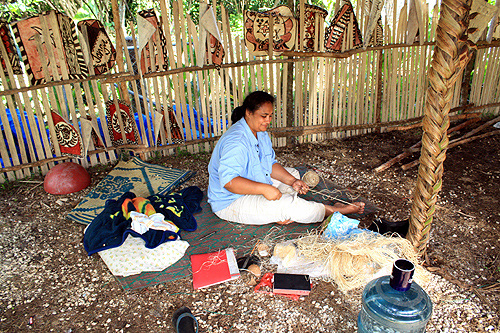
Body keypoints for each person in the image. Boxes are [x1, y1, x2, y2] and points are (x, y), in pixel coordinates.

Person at [207, 91, 365, 225]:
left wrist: (292, 182)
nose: (268, 120)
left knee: (293, 175)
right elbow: (229, 182)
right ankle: (334, 210)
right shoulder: (236, 141)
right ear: (248, 112)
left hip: (251, 183)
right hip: (231, 201)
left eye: (270, 115)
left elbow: (269, 164)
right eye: (264, 116)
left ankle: (277, 211)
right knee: (287, 205)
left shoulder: (260, 132)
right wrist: (265, 189)